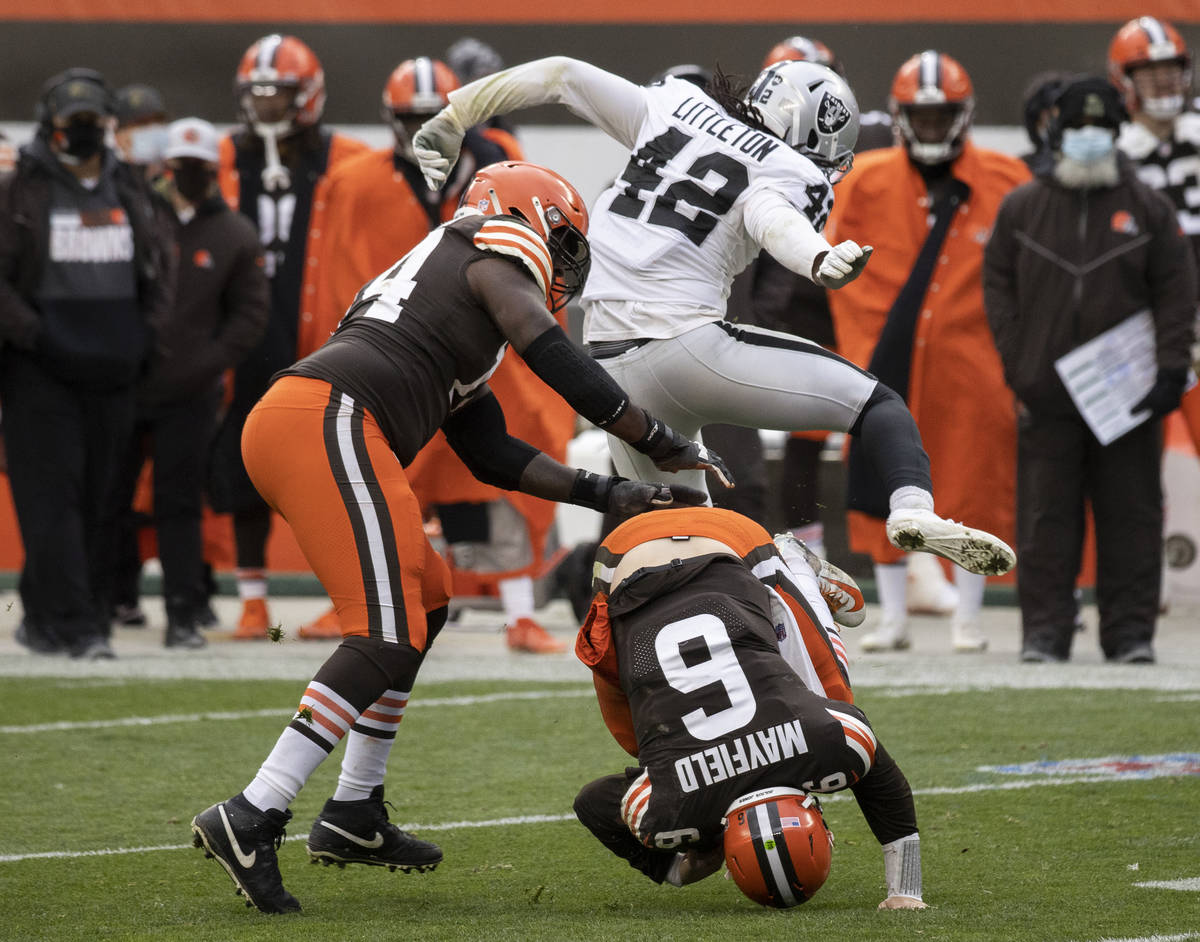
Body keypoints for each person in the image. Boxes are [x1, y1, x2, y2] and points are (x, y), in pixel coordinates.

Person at [190, 160, 731, 914]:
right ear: (523, 215)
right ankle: (254, 811)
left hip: (322, 420)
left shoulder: (454, 289)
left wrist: (614, 492)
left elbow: (490, 452)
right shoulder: (483, 256)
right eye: (564, 241)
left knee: (428, 601)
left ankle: (355, 809)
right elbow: (549, 350)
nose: (567, 263)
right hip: (328, 418)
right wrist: (649, 431)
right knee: (382, 633)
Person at [414, 56, 1017, 598]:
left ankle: (778, 578)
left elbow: (563, 74)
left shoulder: (678, 104)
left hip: (604, 362)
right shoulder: (787, 169)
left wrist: (457, 112)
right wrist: (815, 258)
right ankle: (911, 508)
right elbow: (773, 214)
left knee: (688, 535)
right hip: (686, 348)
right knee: (878, 403)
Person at [301, 57, 572, 652]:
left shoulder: (504, 167)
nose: (419, 125)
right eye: (409, 116)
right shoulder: (357, 181)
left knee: (517, 468)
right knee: (377, 472)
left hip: (489, 346)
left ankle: (521, 612)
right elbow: (340, 274)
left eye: (432, 115)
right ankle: (353, 604)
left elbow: (544, 257)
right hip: (405, 348)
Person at [572, 506, 924, 909]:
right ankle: (792, 562)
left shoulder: (830, 744)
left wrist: (906, 891)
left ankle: (793, 564)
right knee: (646, 741)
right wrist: (679, 864)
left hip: (724, 540)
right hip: (622, 558)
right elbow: (592, 802)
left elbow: (880, 777)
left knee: (835, 701)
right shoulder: (667, 814)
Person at [984, 76, 1197, 664]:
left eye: (1101, 129)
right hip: (1046, 396)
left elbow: (1178, 293)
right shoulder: (1023, 207)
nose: (1090, 138)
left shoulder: (1149, 208)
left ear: (1117, 132)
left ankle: (1130, 636)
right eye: (1078, 128)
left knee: (1132, 517)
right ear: (1058, 132)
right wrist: (1017, 362)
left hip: (1128, 400)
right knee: (1045, 521)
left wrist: (1170, 372)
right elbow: (997, 284)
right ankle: (1044, 635)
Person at [823, 51, 1031, 654]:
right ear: (900, 116)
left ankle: (968, 616)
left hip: (976, 363)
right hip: (884, 358)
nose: (933, 127)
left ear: (963, 116)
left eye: (943, 116)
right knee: (880, 486)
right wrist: (863, 351)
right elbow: (835, 269)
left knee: (977, 484)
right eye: (924, 116)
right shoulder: (865, 179)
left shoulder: (1005, 178)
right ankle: (895, 618)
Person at [0, 68, 173, 659]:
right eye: (70, 124)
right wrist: (38, 337)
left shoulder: (128, 187)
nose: (81, 134)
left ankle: (46, 617)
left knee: (100, 502)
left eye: (91, 123)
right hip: (39, 372)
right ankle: (80, 626)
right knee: (51, 503)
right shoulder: (20, 188)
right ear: (50, 127)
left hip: (115, 372)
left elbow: (158, 267)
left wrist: (145, 337)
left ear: (107, 126)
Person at [212, 34, 369, 639]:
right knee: (240, 466)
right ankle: (252, 600)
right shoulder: (223, 156)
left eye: (278, 94)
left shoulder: (348, 158)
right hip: (244, 335)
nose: (266, 106)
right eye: (258, 94)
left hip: (322, 334)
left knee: (327, 471)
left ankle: (342, 596)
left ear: (306, 96)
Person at [100, 118, 270, 649]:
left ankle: (181, 614)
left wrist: (210, 362)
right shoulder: (135, 219)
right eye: (179, 168)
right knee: (109, 501)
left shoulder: (235, 233)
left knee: (177, 506)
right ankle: (99, 609)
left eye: (197, 169)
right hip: (127, 383)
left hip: (191, 393)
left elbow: (249, 315)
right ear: (165, 169)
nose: (187, 177)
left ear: (214, 171)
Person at [1110, 17, 1200, 475]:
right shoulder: (1115, 154)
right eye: (1150, 71)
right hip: (1145, 330)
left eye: (1172, 69)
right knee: (1135, 465)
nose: (1164, 81)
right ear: (1125, 80)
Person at [112, 83, 169, 184]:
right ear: (118, 135)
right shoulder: (109, 183)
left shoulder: (176, 182)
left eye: (158, 120)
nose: (152, 128)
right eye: (141, 123)